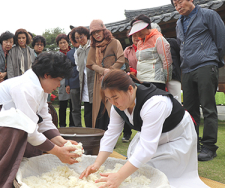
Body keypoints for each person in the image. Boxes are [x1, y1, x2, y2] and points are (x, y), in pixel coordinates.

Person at [0, 52, 80, 188]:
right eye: (59, 80)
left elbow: (45, 119)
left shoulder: (41, 87)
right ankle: (4, 174)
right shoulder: (26, 87)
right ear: (46, 75)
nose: (59, 85)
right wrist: (57, 152)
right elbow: (29, 130)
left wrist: (62, 142)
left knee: (29, 125)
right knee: (20, 129)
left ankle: (13, 168)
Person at [80, 69, 209, 188]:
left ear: (130, 89)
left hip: (177, 135)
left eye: (115, 97)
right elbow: (111, 134)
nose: (113, 103)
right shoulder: (117, 107)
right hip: (153, 135)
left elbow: (147, 149)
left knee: (165, 178)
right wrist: (97, 164)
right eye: (108, 99)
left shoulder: (155, 103)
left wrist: (119, 176)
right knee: (138, 168)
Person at [171, 0, 225, 161]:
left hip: (205, 65)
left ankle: (210, 146)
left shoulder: (208, 15)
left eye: (180, 2)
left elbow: (221, 39)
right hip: (186, 69)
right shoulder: (178, 23)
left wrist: (213, 60)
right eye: (175, 5)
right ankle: (193, 143)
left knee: (208, 108)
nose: (178, 7)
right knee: (189, 110)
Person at [86, 19, 126, 130]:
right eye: (93, 33)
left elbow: (121, 59)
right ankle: (100, 132)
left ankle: (115, 132)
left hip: (113, 79)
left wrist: (110, 71)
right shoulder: (93, 46)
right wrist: (102, 71)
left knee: (113, 104)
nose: (96, 34)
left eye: (98, 31)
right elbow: (89, 63)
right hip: (99, 80)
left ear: (104, 30)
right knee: (99, 106)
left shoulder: (114, 42)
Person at [128, 15, 172, 91]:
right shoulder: (140, 42)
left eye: (140, 29)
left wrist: (166, 79)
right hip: (141, 81)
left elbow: (167, 61)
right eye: (136, 30)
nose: (138, 33)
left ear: (147, 26)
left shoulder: (159, 39)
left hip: (155, 80)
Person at [72, 26, 95, 128]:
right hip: (85, 84)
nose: (79, 40)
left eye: (81, 37)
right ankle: (89, 132)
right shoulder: (78, 52)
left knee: (98, 110)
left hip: (95, 82)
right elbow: (78, 67)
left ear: (86, 35)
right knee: (87, 111)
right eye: (76, 38)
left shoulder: (94, 47)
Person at [121, 32, 140, 143]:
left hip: (147, 79)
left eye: (138, 35)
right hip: (132, 80)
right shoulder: (127, 50)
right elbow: (125, 65)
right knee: (128, 105)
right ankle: (127, 133)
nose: (136, 38)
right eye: (133, 36)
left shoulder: (146, 46)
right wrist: (134, 72)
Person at [56, 33, 73, 127]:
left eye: (64, 42)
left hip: (73, 81)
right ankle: (62, 125)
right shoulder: (57, 55)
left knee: (73, 106)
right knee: (62, 105)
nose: (63, 44)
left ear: (68, 42)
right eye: (60, 43)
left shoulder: (73, 52)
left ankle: (72, 125)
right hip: (62, 82)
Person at [65, 30, 81, 127]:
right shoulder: (69, 53)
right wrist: (67, 84)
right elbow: (68, 69)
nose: (74, 40)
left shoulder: (88, 49)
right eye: (71, 39)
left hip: (86, 82)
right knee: (75, 108)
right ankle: (78, 127)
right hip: (73, 82)